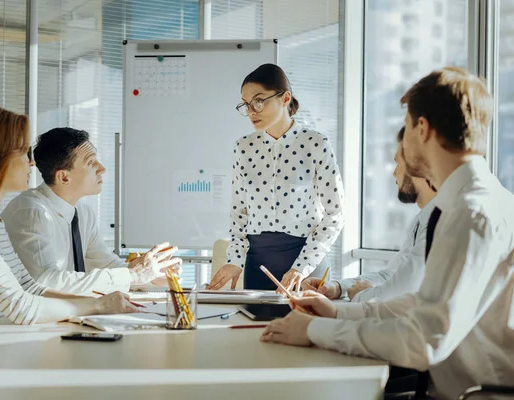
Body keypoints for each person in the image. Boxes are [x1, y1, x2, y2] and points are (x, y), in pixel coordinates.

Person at [260, 67, 514, 399]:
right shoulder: (469, 204)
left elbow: (423, 340)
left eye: (406, 127)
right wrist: (338, 311)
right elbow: (423, 304)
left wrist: (316, 330)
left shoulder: (470, 214)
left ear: (421, 128)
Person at [0, 106, 151, 330]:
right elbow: (21, 307)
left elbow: (30, 289)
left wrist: (105, 302)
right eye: (22, 152)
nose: (31, 162)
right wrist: (98, 305)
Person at [208, 63, 345, 292]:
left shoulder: (315, 144)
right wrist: (234, 260)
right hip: (258, 264)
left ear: (285, 98)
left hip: (306, 264)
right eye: (246, 104)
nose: (252, 110)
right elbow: (239, 212)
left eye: (259, 101)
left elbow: (335, 213)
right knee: (254, 327)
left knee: (307, 327)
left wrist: (302, 267)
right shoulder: (243, 147)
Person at [1, 128, 181, 294]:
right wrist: (133, 275)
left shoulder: (83, 213)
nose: (102, 169)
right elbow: (45, 281)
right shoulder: (32, 212)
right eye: (90, 162)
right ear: (64, 177)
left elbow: (106, 265)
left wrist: (153, 276)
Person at [302, 126, 437, 302]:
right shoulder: (422, 218)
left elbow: (404, 289)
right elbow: (391, 275)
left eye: (398, 165)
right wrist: (337, 287)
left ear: (417, 166)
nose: (394, 173)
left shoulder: (437, 220)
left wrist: (362, 295)